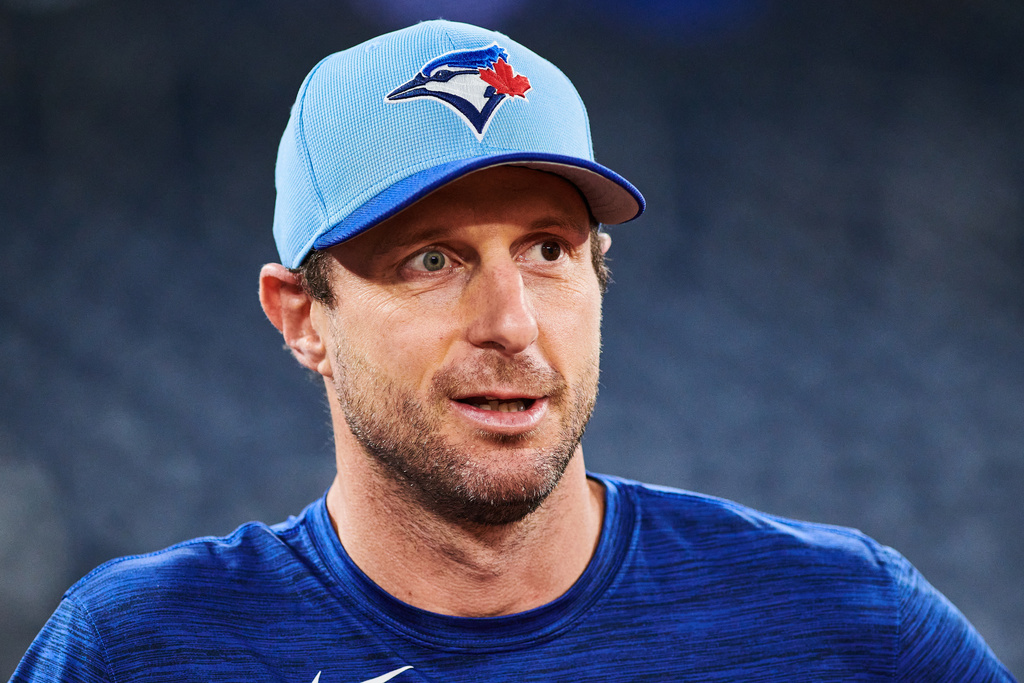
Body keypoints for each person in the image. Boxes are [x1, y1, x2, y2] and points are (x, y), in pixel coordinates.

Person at [11, 20, 1016, 683]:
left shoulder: (844, 622)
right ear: (300, 316)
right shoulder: (143, 648)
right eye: (431, 257)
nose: (511, 320)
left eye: (547, 250)